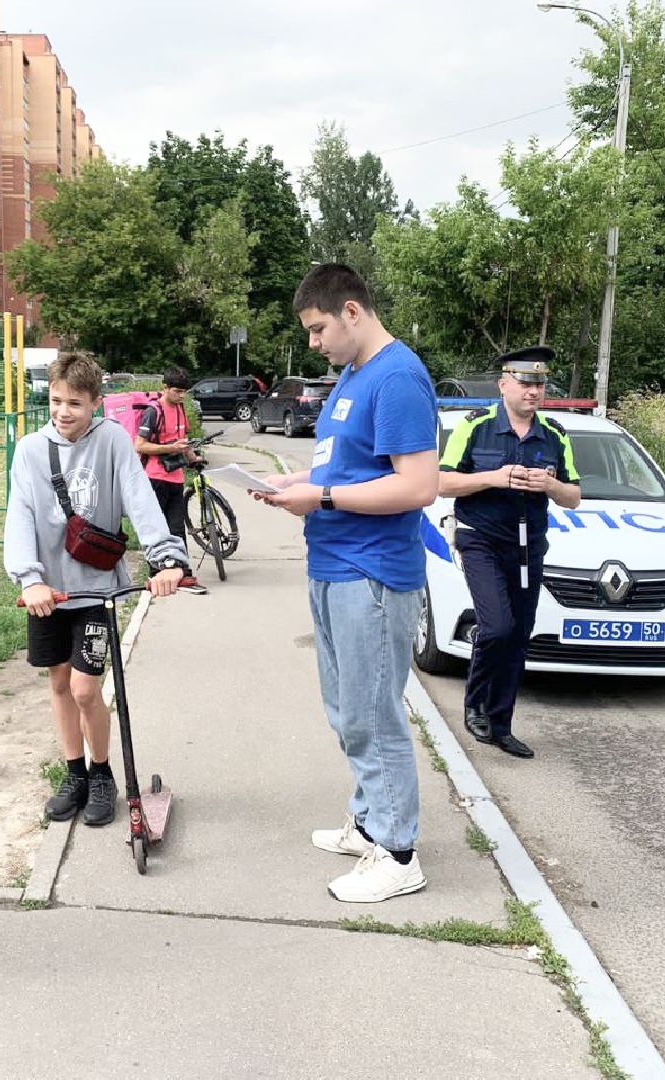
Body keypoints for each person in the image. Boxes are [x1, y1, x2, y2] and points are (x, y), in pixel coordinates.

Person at [256, 264, 440, 903]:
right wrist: (293, 487)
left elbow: (418, 486)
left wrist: (323, 497)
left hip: (372, 573)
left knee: (371, 712)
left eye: (317, 329)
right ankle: (369, 823)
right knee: (346, 709)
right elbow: (341, 468)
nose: (313, 343)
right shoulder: (351, 380)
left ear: (353, 312)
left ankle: (397, 852)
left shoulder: (398, 378)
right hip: (334, 566)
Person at [5, 353, 189, 826]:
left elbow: (138, 496)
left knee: (87, 689)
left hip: (95, 590)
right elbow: (20, 514)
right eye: (57, 401)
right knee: (60, 683)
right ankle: (74, 775)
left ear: (96, 404)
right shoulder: (29, 449)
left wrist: (165, 557)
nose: (64, 412)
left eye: (76, 404)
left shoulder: (111, 442)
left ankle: (101, 772)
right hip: (49, 593)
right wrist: (29, 579)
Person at [437, 346, 582, 759]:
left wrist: (549, 487)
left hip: (529, 545)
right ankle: (475, 705)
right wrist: (494, 478)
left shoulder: (553, 435)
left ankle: (501, 724)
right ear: (504, 384)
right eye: (524, 383)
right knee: (497, 625)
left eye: (539, 384)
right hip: (481, 538)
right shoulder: (475, 427)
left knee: (518, 634)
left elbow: (574, 496)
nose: (533, 391)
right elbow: (442, 483)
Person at [134, 366, 208, 594]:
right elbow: (140, 445)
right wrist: (168, 448)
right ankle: (155, 573)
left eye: (184, 392)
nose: (181, 396)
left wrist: (193, 458)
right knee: (156, 527)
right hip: (155, 477)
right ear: (164, 388)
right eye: (177, 391)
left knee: (177, 527)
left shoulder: (181, 409)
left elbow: (182, 440)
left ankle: (183, 574)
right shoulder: (153, 411)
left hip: (176, 476)